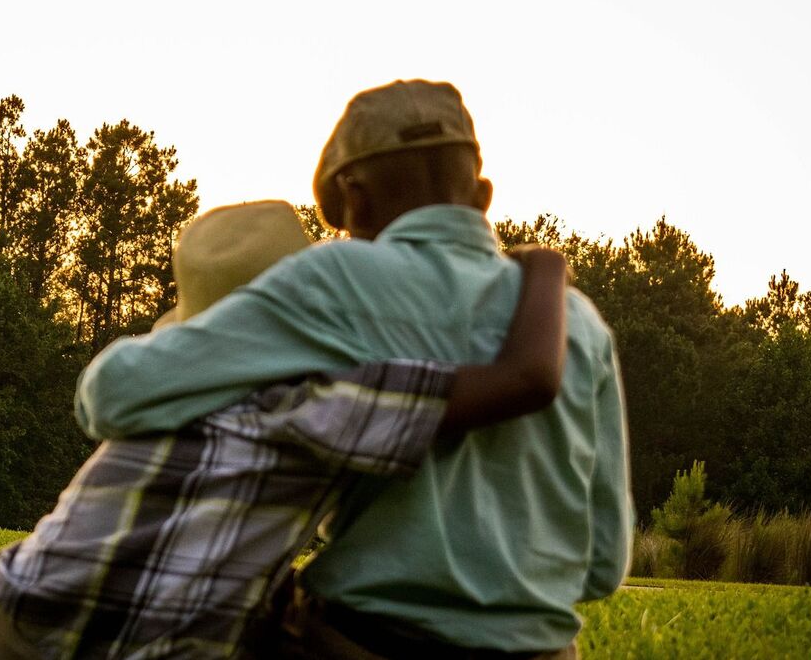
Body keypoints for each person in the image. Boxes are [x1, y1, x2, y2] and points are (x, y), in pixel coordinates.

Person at [0, 198, 570, 659]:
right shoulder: (322, 398)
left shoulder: (161, 389)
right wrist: (542, 267)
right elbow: (528, 378)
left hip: (9, 633)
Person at [77, 80, 633, 657]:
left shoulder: (336, 277)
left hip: (355, 642)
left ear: (355, 197)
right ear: (482, 196)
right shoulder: (580, 324)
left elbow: (111, 393)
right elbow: (602, 567)